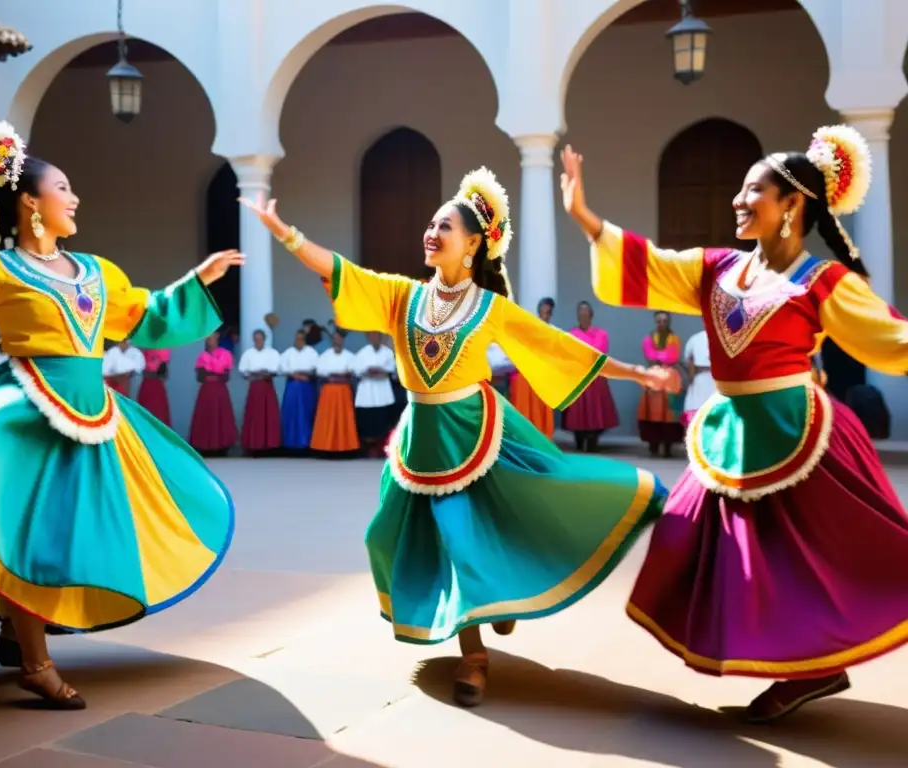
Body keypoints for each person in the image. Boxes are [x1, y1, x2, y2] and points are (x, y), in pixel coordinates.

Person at [240, 167, 671, 707]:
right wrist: (285, 232)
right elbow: (341, 272)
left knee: (479, 532)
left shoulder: (490, 308)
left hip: (475, 430)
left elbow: (558, 347)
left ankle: (474, 656)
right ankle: (490, 608)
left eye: (443, 226)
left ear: (472, 245)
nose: (431, 232)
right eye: (431, 223)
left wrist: (638, 373)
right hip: (422, 437)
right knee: (389, 536)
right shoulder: (402, 296)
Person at [0, 120, 239, 709]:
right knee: (28, 530)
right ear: (30, 202)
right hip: (27, 413)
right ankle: (35, 661)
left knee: (80, 527)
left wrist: (197, 280)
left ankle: (11, 630)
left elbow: (145, 315)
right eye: (64, 188)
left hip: (94, 415)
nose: (75, 198)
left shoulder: (97, 273)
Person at [562, 124, 908, 723]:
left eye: (754, 191)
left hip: (799, 433)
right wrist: (588, 219)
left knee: (825, 556)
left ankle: (811, 669)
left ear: (792, 206)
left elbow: (894, 339)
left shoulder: (821, 282)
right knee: (695, 541)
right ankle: (808, 668)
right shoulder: (717, 268)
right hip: (733, 434)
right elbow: (651, 266)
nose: (737, 200)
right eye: (740, 190)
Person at [562, 301, 619, 452]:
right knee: (577, 415)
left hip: (596, 378)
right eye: (580, 313)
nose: (583, 315)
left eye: (586, 313)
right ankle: (579, 440)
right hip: (578, 378)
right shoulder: (571, 335)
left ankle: (593, 440)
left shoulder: (601, 334)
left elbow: (601, 354)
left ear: (591, 315)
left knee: (596, 413)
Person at [637, 311, 683, 456]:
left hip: (671, 378)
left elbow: (673, 356)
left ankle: (668, 445)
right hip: (653, 377)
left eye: (664, 321)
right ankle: (654, 444)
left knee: (670, 413)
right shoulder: (648, 338)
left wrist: (660, 357)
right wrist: (662, 357)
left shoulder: (674, 339)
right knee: (652, 413)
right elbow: (649, 356)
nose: (661, 324)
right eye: (659, 321)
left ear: (668, 322)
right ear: (655, 322)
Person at [509, 297, 556, 439]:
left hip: (543, 377)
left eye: (548, 313)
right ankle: (523, 439)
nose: (545, 316)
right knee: (525, 411)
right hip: (525, 376)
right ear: (538, 312)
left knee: (541, 412)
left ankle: (542, 440)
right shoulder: (528, 328)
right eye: (543, 313)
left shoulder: (553, 332)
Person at [310, 328, 360, 457]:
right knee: (327, 419)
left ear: (343, 340)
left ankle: (345, 448)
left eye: (339, 338)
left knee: (344, 420)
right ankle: (325, 447)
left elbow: (352, 371)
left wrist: (340, 374)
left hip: (343, 390)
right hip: (329, 390)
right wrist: (337, 373)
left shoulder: (350, 355)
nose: (337, 341)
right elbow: (320, 371)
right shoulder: (325, 355)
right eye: (335, 338)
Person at [189, 330, 237, 456]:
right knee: (206, 417)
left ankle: (222, 447)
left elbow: (225, 376)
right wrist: (215, 373)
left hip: (220, 390)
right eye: (207, 337)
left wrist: (210, 373)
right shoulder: (202, 356)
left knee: (220, 417)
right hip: (206, 391)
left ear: (217, 336)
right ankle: (205, 446)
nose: (210, 339)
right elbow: (200, 377)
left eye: (212, 336)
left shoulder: (226, 354)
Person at [353, 331, 397, 458]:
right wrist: (371, 371)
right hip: (367, 393)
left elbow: (391, 370)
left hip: (383, 394)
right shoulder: (362, 353)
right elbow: (357, 371)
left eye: (376, 335)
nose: (374, 338)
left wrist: (380, 371)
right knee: (366, 422)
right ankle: (368, 450)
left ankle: (381, 450)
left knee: (383, 422)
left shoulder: (387, 352)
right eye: (371, 336)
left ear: (381, 337)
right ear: (367, 337)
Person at [238, 329, 281, 454]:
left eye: (260, 339)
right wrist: (259, 373)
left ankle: (270, 446)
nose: (258, 341)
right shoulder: (248, 353)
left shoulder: (272, 353)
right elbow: (244, 371)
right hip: (254, 388)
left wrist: (259, 374)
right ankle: (253, 445)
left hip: (267, 387)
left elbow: (273, 371)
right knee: (254, 416)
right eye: (255, 339)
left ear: (264, 340)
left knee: (268, 416)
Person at [279, 328, 319, 452]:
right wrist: (296, 376)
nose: (299, 342)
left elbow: (315, 369)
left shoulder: (311, 352)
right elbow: (283, 369)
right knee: (291, 414)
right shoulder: (288, 353)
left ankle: (306, 444)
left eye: (301, 339)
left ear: (305, 340)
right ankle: (290, 445)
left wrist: (303, 375)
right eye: (297, 339)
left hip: (306, 387)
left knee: (306, 415)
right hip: (292, 386)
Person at [681, 329, 714, 427]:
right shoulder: (695, 339)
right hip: (699, 381)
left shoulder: (727, 337)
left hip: (718, 382)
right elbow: (689, 361)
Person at [137, 348, 172, 427]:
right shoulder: (145, 348)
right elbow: (142, 370)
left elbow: (164, 374)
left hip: (156, 388)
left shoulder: (164, 350)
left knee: (158, 415)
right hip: (146, 386)